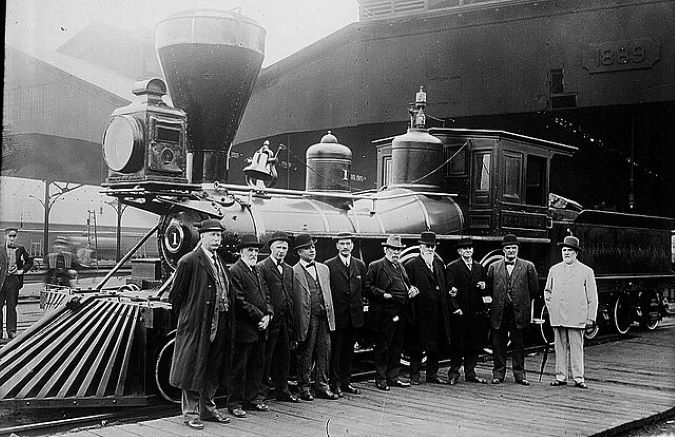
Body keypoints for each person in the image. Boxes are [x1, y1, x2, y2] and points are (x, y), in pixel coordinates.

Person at [169, 219, 234, 430]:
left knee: (213, 368)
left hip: (220, 322)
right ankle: (190, 414)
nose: (217, 239)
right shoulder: (188, 261)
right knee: (193, 368)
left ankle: (208, 409)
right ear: (202, 237)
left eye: (219, 235)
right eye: (212, 235)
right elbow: (176, 297)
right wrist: (190, 318)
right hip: (198, 324)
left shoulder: (220, 261)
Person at [365, 234, 419, 391]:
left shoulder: (400, 267)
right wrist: (383, 294)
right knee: (383, 345)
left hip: (400, 312)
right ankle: (381, 378)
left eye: (398, 250)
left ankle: (393, 376)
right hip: (385, 313)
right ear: (385, 249)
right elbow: (367, 287)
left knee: (397, 345)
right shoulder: (376, 266)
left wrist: (412, 290)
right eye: (393, 249)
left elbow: (406, 285)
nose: (396, 253)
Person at [228, 233, 274, 416]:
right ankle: (234, 403)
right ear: (241, 252)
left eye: (255, 250)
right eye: (250, 250)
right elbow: (239, 301)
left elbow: (267, 295)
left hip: (261, 328)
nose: (254, 253)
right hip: (245, 329)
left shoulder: (258, 270)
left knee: (257, 365)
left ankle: (252, 399)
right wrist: (260, 317)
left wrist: (269, 314)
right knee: (239, 368)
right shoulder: (235, 271)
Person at [545, 235, 598, 389]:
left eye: (570, 250)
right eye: (564, 250)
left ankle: (578, 378)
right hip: (558, 316)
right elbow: (547, 292)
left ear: (576, 253)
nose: (566, 253)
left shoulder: (586, 271)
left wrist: (590, 318)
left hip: (577, 317)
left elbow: (592, 297)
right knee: (559, 347)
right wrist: (552, 308)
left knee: (576, 347)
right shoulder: (554, 270)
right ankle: (560, 377)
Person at [486, 234, 539, 386]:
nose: (510, 251)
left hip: (519, 311)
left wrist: (522, 301)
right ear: (503, 250)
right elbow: (490, 288)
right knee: (498, 344)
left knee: (518, 344)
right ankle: (498, 374)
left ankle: (519, 375)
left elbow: (534, 289)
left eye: (513, 248)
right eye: (507, 248)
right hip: (499, 311)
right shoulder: (493, 267)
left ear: (518, 250)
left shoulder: (528, 267)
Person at [291, 233, 338, 401]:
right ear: (298, 252)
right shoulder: (293, 272)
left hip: (324, 316)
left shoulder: (324, 269)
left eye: (313, 247)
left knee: (325, 352)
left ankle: (322, 386)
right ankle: (304, 387)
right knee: (306, 352)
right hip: (307, 319)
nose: (311, 250)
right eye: (306, 248)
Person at [257, 231, 300, 403]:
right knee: (265, 359)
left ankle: (283, 390)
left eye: (284, 248)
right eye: (278, 247)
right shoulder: (262, 267)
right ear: (271, 248)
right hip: (271, 321)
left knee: (284, 358)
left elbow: (290, 295)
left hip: (285, 321)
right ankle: (261, 393)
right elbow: (263, 294)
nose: (281, 251)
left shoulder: (289, 269)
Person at [403, 231, 451, 385]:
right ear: (420, 247)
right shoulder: (412, 265)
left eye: (432, 247)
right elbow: (408, 288)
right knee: (417, 345)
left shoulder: (438, 264)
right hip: (420, 311)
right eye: (427, 246)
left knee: (434, 345)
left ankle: (432, 374)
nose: (430, 249)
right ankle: (414, 375)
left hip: (437, 311)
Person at [325, 231, 366, 396]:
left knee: (349, 351)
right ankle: (335, 384)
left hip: (354, 317)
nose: (345, 247)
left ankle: (346, 382)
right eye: (342, 244)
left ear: (352, 245)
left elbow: (362, 289)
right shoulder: (329, 265)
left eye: (348, 243)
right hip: (338, 316)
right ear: (336, 246)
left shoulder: (360, 265)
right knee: (336, 351)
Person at [445, 237, 489, 385]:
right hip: (461, 312)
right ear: (459, 251)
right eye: (465, 249)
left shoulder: (479, 267)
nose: (468, 251)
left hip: (475, 312)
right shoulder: (453, 267)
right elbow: (449, 289)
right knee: (458, 344)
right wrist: (455, 308)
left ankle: (470, 373)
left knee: (474, 344)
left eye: (470, 248)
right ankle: (454, 373)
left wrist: (484, 287)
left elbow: (486, 290)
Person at [0, 228, 32, 340]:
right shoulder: (0, 249)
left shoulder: (20, 249)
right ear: (5, 236)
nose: (12, 238)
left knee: (11, 307)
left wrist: (22, 270)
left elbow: (30, 261)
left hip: (13, 282)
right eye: (10, 236)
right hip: (1, 281)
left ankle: (11, 331)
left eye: (14, 236)